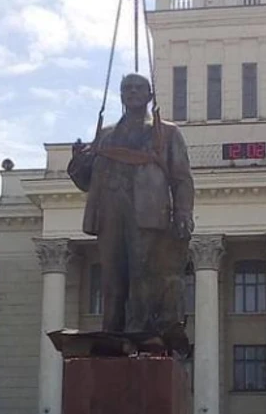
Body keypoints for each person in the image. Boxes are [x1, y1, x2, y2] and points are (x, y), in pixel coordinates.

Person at [68, 73, 194, 337]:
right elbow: (87, 180)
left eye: (138, 88)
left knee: (143, 273)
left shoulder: (167, 132)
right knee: (111, 276)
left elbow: (181, 177)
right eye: (127, 88)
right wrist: (77, 164)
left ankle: (140, 334)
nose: (132, 92)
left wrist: (183, 212)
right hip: (110, 210)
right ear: (121, 96)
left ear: (150, 96)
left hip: (147, 211)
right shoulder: (105, 134)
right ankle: (112, 332)